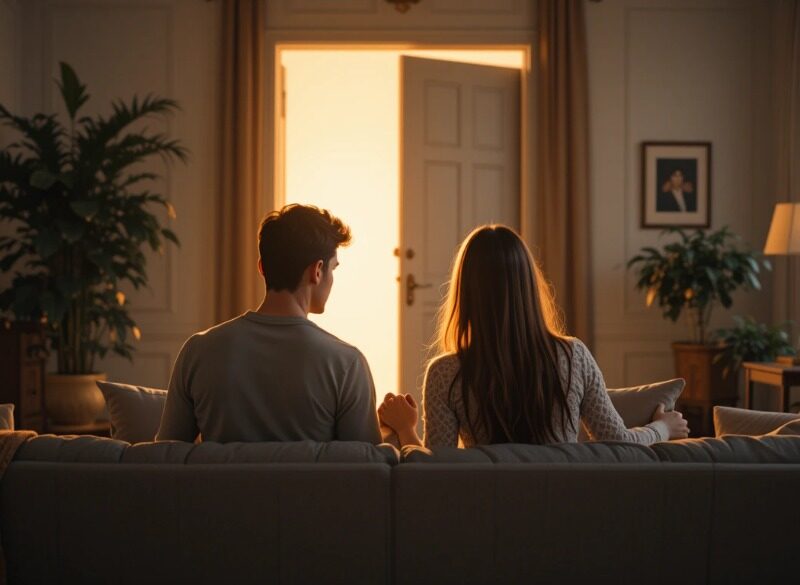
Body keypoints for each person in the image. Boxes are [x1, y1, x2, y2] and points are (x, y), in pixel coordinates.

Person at [378, 225, 688, 448]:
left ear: (466, 292)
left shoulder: (445, 372)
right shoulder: (573, 355)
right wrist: (662, 427)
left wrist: (406, 430)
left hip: (488, 515)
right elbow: (618, 443)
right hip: (559, 514)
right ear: (528, 287)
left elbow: (438, 472)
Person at [156, 204, 381, 444]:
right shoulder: (347, 364)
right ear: (317, 271)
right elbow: (367, 467)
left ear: (262, 267)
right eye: (333, 268)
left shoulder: (198, 351)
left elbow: (166, 455)